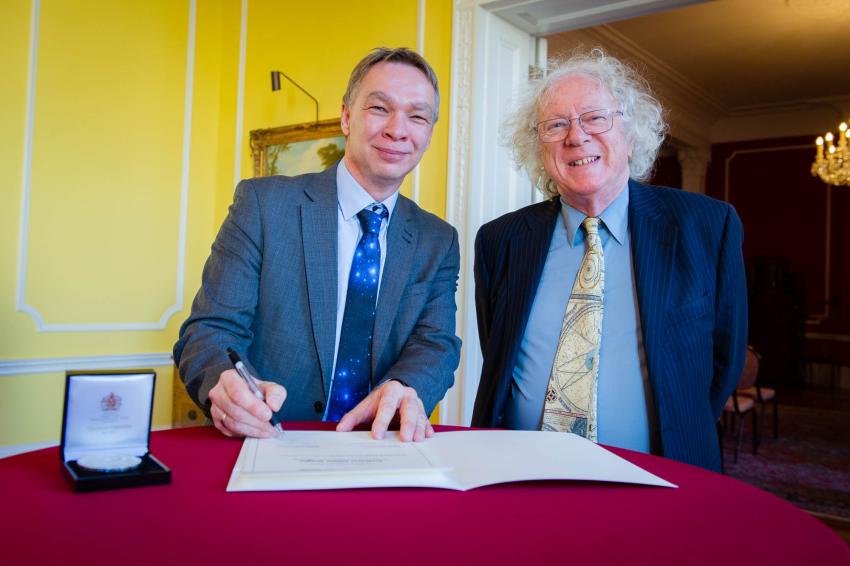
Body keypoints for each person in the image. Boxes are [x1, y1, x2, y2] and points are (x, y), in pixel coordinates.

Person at [472, 48, 747, 471]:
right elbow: (498, 352)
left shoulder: (707, 226)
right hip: (522, 476)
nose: (576, 136)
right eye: (556, 124)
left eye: (595, 118)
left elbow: (724, 362)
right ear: (538, 146)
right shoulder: (500, 240)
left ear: (631, 131)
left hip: (665, 477)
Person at [174, 47, 460, 443]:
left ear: (429, 133)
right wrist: (222, 382)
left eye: (417, 116)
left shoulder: (438, 239)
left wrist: (407, 383)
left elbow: (436, 343)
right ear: (346, 116)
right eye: (380, 108)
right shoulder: (263, 205)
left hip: (380, 448)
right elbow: (209, 331)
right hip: (267, 442)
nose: (398, 129)